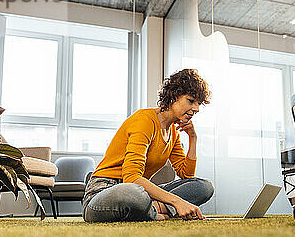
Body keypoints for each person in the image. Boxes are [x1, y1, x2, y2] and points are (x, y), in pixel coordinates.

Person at [82, 69, 214, 222]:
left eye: (198, 104)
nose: (196, 109)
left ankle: (151, 210)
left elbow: (186, 175)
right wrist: (177, 202)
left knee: (204, 186)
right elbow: (131, 178)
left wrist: (193, 138)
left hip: (142, 193)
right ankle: (156, 211)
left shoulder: (173, 131)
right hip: (104, 192)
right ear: (173, 96)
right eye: (191, 101)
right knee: (132, 192)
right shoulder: (145, 120)